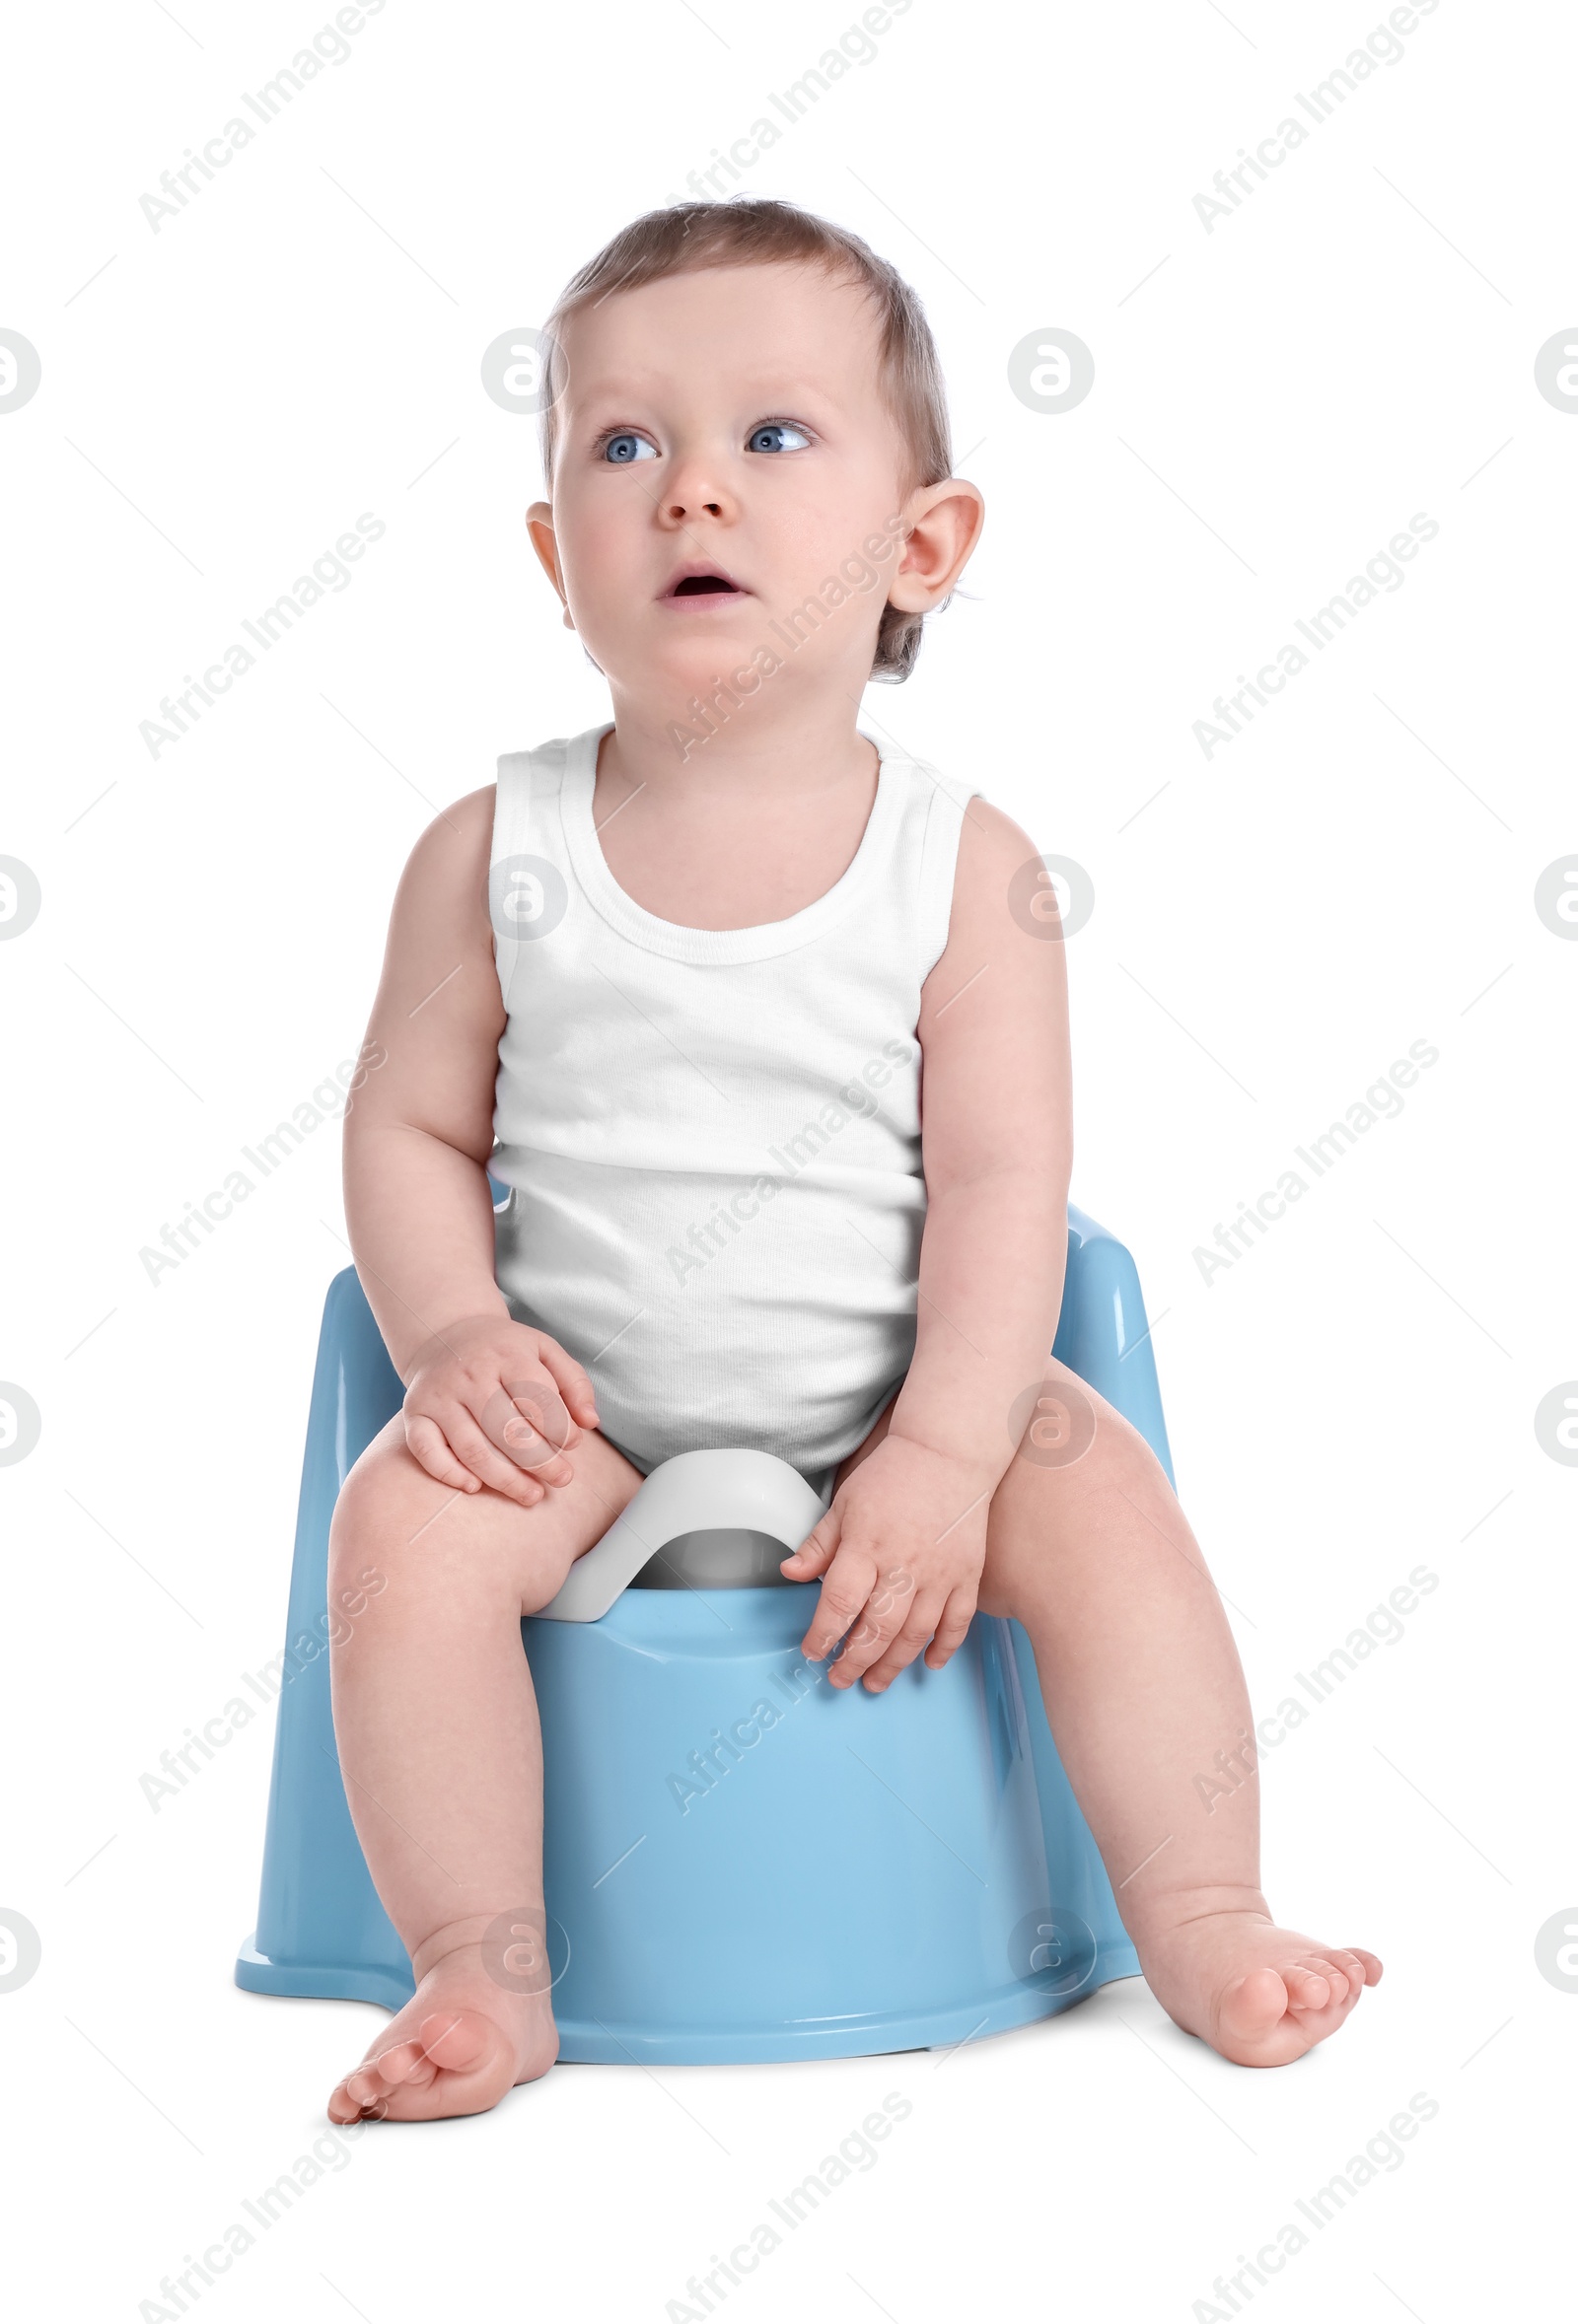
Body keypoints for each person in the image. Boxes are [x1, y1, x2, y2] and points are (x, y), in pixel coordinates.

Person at [325, 197, 1380, 2125]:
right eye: (622, 445)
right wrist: (451, 1335)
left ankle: (1203, 1912)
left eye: (772, 437)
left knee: (1109, 1502)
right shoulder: (491, 852)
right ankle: (476, 1971)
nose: (692, 495)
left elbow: (1000, 1192)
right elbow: (404, 1127)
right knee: (399, 1533)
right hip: (586, 1425)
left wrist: (948, 1448)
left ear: (924, 545)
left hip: (905, 1401)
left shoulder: (965, 869)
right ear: (555, 556)